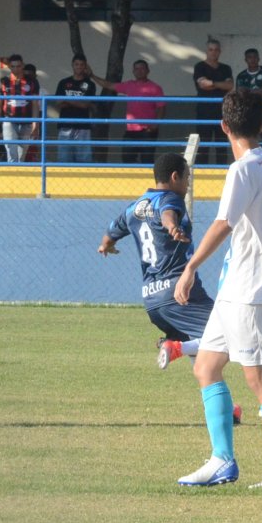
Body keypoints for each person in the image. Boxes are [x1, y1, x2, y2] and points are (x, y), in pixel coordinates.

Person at [173, 89, 262, 490]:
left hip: (248, 291)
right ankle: (222, 461)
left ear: (224, 126)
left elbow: (223, 224)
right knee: (206, 367)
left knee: (260, 379)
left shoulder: (241, 170)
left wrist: (190, 267)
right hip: (233, 290)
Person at [98, 153, 217, 374]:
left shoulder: (133, 208)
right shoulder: (170, 198)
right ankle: (175, 347)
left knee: (199, 352)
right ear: (174, 177)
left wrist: (106, 246)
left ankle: (221, 409)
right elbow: (167, 214)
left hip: (152, 300)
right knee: (227, 334)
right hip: (179, 291)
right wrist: (172, 227)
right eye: (187, 178)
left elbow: (111, 232)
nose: (188, 184)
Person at [88, 59, 166, 165]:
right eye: (136, 69)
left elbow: (161, 107)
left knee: (147, 161)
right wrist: (92, 75)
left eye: (142, 68)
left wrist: (155, 125)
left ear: (148, 71)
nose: (139, 71)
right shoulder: (129, 85)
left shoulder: (155, 88)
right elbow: (108, 85)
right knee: (127, 160)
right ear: (133, 71)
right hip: (130, 131)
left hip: (147, 131)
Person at [0, 54, 40, 163]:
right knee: (11, 153)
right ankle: (11, 176)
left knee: (22, 155)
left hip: (26, 121)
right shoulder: (3, 81)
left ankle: (19, 177)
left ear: (22, 66)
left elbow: (35, 104)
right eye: (13, 66)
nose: (16, 69)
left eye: (18, 66)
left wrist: (35, 125)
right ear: (9, 67)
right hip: (9, 120)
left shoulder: (32, 82)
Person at [193, 37, 233, 165]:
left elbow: (230, 86)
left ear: (219, 51)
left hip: (222, 110)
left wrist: (212, 84)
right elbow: (202, 84)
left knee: (221, 144)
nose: (213, 52)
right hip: (204, 110)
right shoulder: (199, 67)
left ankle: (222, 169)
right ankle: (201, 170)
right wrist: (220, 84)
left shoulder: (226, 68)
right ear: (206, 51)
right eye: (211, 50)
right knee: (203, 143)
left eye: (216, 50)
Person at [235, 48, 262, 159]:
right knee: (248, 140)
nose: (252, 59)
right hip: (247, 112)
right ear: (245, 60)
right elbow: (240, 94)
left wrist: (248, 92)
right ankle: (248, 162)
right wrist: (259, 91)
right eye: (249, 57)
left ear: (259, 58)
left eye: (255, 57)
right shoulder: (241, 76)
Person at [55, 55, 97, 163]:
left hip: (82, 126)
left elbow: (85, 105)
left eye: (81, 64)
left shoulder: (90, 84)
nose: (79, 67)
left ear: (85, 66)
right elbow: (58, 103)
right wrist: (77, 102)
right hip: (65, 125)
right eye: (76, 64)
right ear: (72, 65)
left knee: (83, 159)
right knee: (64, 158)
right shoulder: (63, 82)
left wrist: (67, 100)